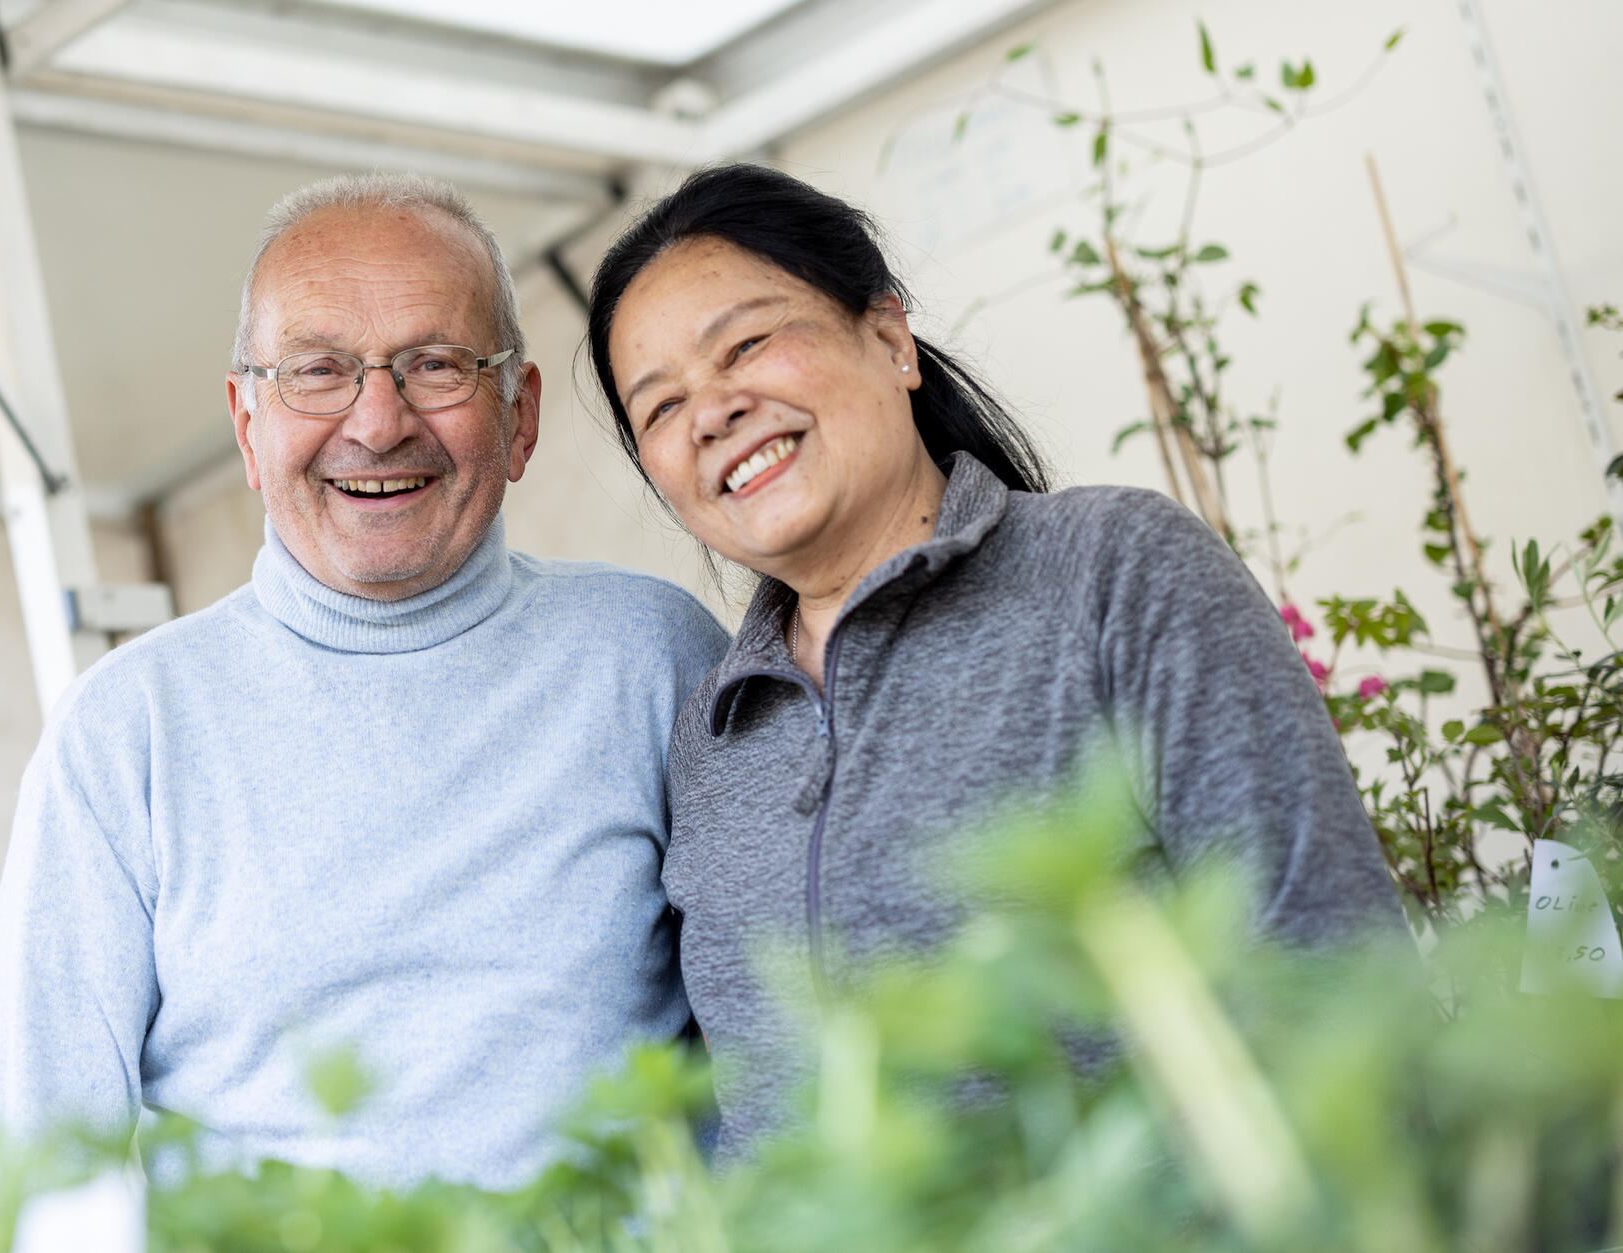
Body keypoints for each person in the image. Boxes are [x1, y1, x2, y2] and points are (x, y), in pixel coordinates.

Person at [586, 163, 1404, 1161]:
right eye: (660, 407)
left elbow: (1331, 963)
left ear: (888, 338)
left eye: (746, 344)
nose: (710, 410)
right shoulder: (709, 733)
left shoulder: (1112, 570)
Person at [0, 173, 730, 1189]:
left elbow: (777, 1034)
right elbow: (46, 1160)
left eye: (435, 363)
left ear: (519, 414)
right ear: (248, 427)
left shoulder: (652, 654)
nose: (377, 422)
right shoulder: (126, 731)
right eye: (317, 371)